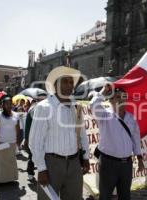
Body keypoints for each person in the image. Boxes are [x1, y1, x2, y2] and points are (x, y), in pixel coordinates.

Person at [29, 66, 90, 200]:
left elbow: (82, 134)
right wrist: (41, 168)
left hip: (74, 163)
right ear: (55, 85)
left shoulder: (76, 107)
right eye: (65, 81)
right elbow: (35, 141)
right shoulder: (44, 107)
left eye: (71, 82)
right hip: (51, 164)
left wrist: (85, 157)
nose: (69, 85)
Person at [89, 84, 144, 200]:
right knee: (105, 196)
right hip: (108, 164)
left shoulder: (131, 118)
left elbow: (136, 139)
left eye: (124, 97)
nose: (122, 100)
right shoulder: (104, 115)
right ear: (111, 100)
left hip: (126, 165)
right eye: (118, 97)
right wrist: (104, 90)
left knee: (125, 196)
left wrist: (140, 159)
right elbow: (93, 104)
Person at [0, 95, 20, 183]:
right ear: (3, 105)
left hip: (12, 142)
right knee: (0, 162)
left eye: (10, 103)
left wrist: (18, 142)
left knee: (11, 162)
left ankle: (10, 179)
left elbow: (18, 129)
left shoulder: (16, 115)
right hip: (1, 142)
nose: (8, 105)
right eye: (6, 104)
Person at [24, 93, 47, 181]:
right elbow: (28, 126)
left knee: (35, 155)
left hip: (40, 137)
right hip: (33, 137)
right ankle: (30, 173)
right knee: (32, 156)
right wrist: (26, 139)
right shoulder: (35, 109)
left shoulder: (38, 108)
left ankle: (32, 172)